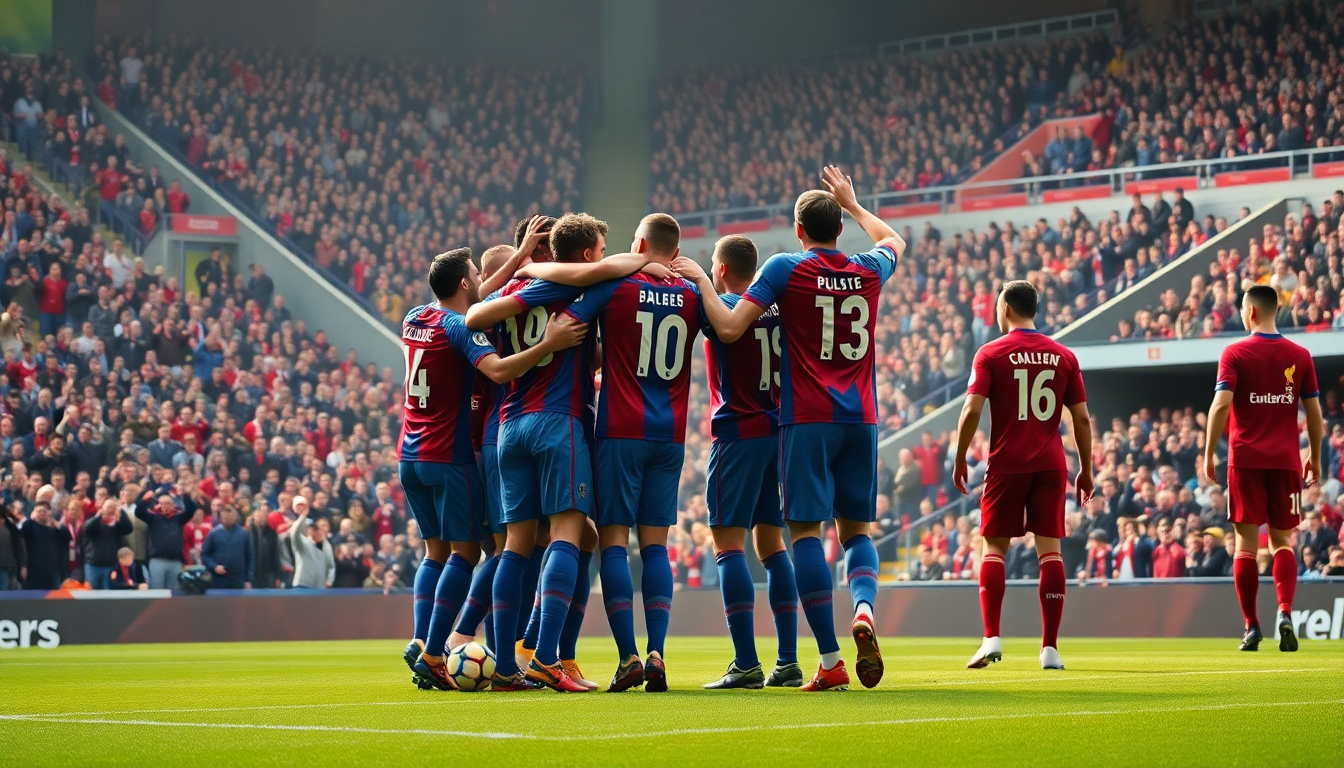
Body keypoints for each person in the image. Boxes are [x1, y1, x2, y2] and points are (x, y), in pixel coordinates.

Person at [680, 165, 906, 691]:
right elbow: (894, 239)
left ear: (799, 230)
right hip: (863, 417)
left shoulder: (786, 268)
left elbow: (730, 327)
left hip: (805, 419)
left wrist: (699, 280)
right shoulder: (868, 268)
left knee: (803, 534)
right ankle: (864, 609)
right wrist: (853, 203)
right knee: (856, 533)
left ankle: (829, 660)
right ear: (841, 227)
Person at [464, 215, 650, 692]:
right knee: (570, 534)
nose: (605, 254)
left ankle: (508, 665)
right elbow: (615, 269)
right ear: (587, 255)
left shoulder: (515, 292)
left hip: (510, 427)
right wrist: (649, 260)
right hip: (557, 422)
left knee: (516, 546)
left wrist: (521, 268)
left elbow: (474, 316)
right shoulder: (574, 290)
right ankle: (547, 656)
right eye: (601, 247)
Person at [400, 246, 588, 692]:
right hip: (456, 452)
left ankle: (424, 639)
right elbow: (500, 371)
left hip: (410, 452)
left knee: (435, 552)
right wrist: (549, 343)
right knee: (477, 552)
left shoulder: (414, 317)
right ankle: (439, 649)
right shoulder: (463, 327)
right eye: (476, 275)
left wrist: (519, 255)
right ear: (467, 283)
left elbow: (483, 292)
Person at [556, 213, 704, 694]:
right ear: (675, 250)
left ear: (638, 245)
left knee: (614, 543)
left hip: (620, 430)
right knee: (657, 546)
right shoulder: (692, 294)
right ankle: (658, 653)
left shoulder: (615, 286)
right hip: (670, 434)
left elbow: (566, 327)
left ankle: (628, 659)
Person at [952, 279, 1092, 671]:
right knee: (1051, 552)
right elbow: (1081, 418)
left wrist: (961, 458)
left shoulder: (991, 353)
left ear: (1006, 308)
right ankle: (1050, 649)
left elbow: (972, 410)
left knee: (994, 548)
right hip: (1051, 463)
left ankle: (991, 638)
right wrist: (1086, 469)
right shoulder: (1063, 355)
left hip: (1007, 462)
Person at [693, 234, 801, 691]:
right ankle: (789, 661)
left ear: (720, 269)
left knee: (728, 545)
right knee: (772, 545)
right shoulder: (776, 306)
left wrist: (696, 281)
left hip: (738, 433)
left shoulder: (721, 308)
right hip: (778, 433)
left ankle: (745, 663)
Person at [1201, 284, 1323, 653]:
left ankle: (1252, 626)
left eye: (1242, 309)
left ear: (1251, 311)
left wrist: (1208, 452)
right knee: (1283, 542)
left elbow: (1221, 405)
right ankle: (1285, 611)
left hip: (1245, 461)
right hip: (1286, 462)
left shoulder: (1235, 352)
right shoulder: (1300, 355)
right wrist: (1315, 456)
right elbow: (1314, 413)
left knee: (1246, 547)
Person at [133, 488, 195, 590]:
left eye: (168, 503)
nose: (166, 506)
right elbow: (139, 512)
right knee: (157, 590)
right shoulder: (153, 518)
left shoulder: (178, 519)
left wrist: (185, 495)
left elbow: (190, 511)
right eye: (163, 503)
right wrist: (145, 500)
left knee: (174, 592)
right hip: (157, 561)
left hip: (175, 561)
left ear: (173, 505)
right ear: (158, 505)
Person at [81, 500, 133, 589]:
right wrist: (99, 515)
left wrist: (120, 511)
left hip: (112, 566)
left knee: (110, 593)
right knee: (92, 593)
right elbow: (87, 528)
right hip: (93, 565)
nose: (110, 510)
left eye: (112, 508)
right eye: (108, 508)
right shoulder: (95, 522)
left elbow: (128, 529)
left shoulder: (117, 524)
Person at [200, 505, 253, 590]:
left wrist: (248, 580)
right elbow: (204, 555)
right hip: (218, 579)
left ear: (235, 516)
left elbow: (250, 557)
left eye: (229, 513)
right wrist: (214, 567)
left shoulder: (244, 534)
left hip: (238, 580)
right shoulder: (213, 533)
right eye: (224, 514)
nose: (226, 516)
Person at [288, 497, 335, 589]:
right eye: (316, 529)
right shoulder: (303, 543)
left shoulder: (326, 546)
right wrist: (303, 516)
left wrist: (329, 581)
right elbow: (294, 533)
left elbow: (331, 566)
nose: (319, 532)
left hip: (320, 588)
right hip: (302, 585)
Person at [248, 508, 283, 589]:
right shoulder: (248, 533)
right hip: (253, 573)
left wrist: (277, 577)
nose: (260, 519)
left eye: (262, 516)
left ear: (266, 518)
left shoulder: (271, 533)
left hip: (268, 572)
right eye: (258, 516)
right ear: (253, 517)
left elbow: (275, 555)